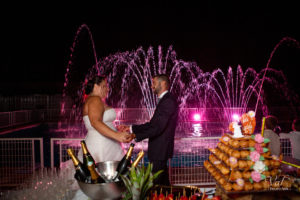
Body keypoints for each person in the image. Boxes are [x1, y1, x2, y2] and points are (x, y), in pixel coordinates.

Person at [71, 75, 133, 199]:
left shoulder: (95, 100)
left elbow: (101, 122)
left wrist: (115, 127)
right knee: (103, 185)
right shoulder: (94, 99)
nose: (107, 89)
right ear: (95, 86)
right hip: (102, 147)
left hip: (105, 144)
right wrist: (117, 135)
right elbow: (95, 122)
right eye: (104, 86)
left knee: (107, 186)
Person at [118, 74, 179, 186]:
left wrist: (135, 135)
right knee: (163, 184)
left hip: (160, 150)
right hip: (159, 150)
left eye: (154, 83)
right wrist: (131, 128)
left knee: (155, 184)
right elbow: (152, 124)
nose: (151, 86)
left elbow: (158, 128)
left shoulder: (168, 101)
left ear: (163, 84)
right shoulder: (165, 100)